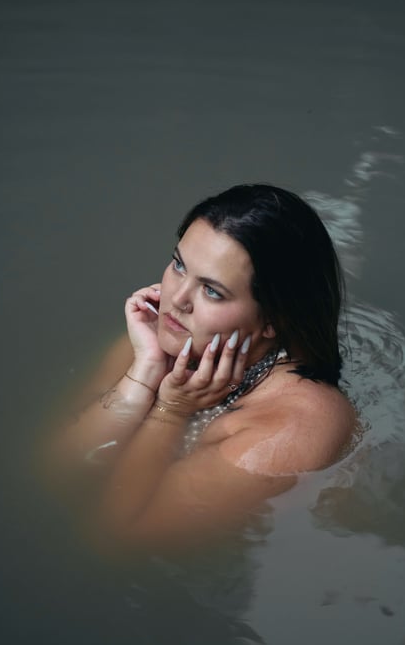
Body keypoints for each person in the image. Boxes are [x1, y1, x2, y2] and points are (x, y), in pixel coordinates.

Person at [54, 184, 357, 550]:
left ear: (273, 320)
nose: (176, 299)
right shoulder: (162, 338)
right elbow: (55, 472)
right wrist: (143, 374)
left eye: (212, 291)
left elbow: (114, 537)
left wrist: (170, 412)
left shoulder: (293, 428)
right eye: (179, 265)